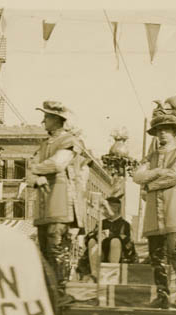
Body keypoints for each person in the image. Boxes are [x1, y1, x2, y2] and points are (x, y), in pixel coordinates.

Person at [25, 101, 87, 298]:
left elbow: (58, 164)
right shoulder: (44, 145)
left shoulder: (69, 141)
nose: (43, 120)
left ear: (59, 120)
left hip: (61, 203)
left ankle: (60, 291)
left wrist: (35, 169)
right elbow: (30, 173)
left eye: (48, 117)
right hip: (44, 206)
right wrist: (35, 178)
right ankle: (47, 291)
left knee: (56, 246)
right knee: (43, 249)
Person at [133, 114, 176, 308]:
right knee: (156, 254)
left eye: (166, 130)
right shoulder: (151, 156)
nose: (162, 134)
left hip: (175, 206)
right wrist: (158, 172)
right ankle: (162, 295)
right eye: (159, 131)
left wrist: (150, 185)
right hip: (154, 211)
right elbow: (137, 176)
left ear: (175, 132)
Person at [82, 196, 138, 279]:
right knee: (92, 241)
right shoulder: (101, 223)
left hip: (119, 252)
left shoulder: (125, 224)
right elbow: (90, 235)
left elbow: (128, 242)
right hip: (102, 250)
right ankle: (94, 273)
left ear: (114, 209)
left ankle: (111, 272)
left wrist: (111, 235)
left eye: (105, 208)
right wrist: (97, 235)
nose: (103, 211)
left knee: (115, 241)